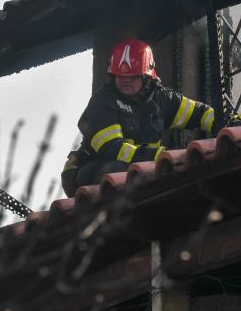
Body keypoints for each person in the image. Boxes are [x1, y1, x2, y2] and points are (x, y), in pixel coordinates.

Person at [62, 38, 219, 197]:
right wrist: (159, 156)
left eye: (132, 76)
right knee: (118, 170)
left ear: (147, 76)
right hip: (90, 170)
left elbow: (200, 113)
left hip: (139, 168)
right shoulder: (102, 102)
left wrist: (225, 121)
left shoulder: (161, 99)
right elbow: (112, 149)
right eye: (120, 76)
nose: (125, 81)